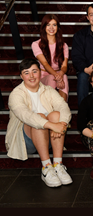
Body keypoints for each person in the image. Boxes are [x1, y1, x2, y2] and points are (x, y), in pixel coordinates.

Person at [5, 58, 72, 188]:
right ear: (21, 76)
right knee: (38, 117)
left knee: (57, 114)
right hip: (26, 141)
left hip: (49, 138)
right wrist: (53, 126)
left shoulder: (48, 90)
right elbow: (26, 115)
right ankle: (46, 168)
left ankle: (57, 165)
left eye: (34, 71)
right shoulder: (15, 94)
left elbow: (63, 106)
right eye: (26, 72)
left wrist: (61, 123)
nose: (31, 76)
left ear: (40, 73)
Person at [31, 14, 69, 102]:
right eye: (48, 25)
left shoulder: (64, 45)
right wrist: (56, 76)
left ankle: (62, 108)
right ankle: (49, 109)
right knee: (52, 78)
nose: (51, 28)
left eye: (54, 25)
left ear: (58, 27)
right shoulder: (36, 44)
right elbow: (45, 64)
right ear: (44, 27)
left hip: (59, 74)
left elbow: (64, 66)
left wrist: (60, 74)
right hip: (44, 75)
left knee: (64, 77)